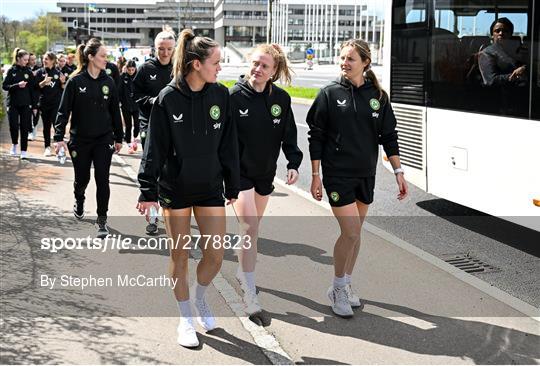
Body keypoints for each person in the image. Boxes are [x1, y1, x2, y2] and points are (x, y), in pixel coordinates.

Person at [137, 29, 239, 348]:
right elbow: (154, 148)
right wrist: (146, 190)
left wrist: (233, 183)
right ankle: (184, 318)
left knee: (216, 254)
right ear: (196, 64)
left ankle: (200, 298)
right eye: (216, 62)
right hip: (175, 189)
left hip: (209, 187)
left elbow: (229, 144)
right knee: (179, 254)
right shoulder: (168, 97)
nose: (220, 67)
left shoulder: (221, 95)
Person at [307, 39, 408, 318]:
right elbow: (315, 136)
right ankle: (337, 287)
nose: (344, 62)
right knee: (350, 232)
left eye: (351, 58)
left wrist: (399, 172)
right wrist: (316, 175)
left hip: (366, 173)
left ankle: (347, 282)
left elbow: (389, 136)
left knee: (356, 234)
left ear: (365, 62)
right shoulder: (329, 94)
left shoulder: (378, 96)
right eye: (342, 57)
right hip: (337, 174)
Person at [229, 43, 302, 315]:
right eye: (255, 63)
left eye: (264, 66)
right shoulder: (233, 97)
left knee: (252, 229)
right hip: (239, 175)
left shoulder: (281, 99)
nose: (257, 69)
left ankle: (241, 269)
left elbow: (289, 134)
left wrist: (293, 163)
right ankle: (249, 292)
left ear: (273, 71)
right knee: (249, 228)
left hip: (264, 174)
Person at [54, 38, 123, 238]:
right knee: (82, 179)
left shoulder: (109, 81)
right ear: (90, 57)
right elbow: (63, 111)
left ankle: (102, 220)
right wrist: (59, 137)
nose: (106, 59)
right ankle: (80, 198)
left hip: (103, 139)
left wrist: (119, 137)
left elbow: (115, 113)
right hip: (80, 141)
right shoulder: (75, 81)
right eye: (102, 56)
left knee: (103, 179)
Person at [133, 26, 175, 151]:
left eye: (169, 49)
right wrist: (152, 100)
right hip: (149, 122)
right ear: (155, 48)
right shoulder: (145, 69)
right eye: (161, 49)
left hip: (172, 123)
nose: (165, 53)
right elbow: (135, 95)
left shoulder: (178, 69)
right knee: (150, 162)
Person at [2, 48, 37, 159]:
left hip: (26, 104)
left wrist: (35, 105)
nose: (27, 61)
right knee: (13, 126)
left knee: (25, 127)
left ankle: (23, 151)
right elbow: (5, 86)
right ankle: (14, 145)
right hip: (13, 103)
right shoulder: (11, 71)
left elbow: (33, 90)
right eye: (25, 59)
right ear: (18, 59)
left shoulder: (28, 72)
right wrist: (17, 85)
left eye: (28, 59)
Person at [35, 52, 65, 156]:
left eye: (46, 59)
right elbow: (35, 88)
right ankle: (47, 147)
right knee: (46, 126)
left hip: (56, 104)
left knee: (56, 125)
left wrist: (62, 82)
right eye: (44, 59)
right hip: (44, 104)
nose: (44, 61)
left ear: (52, 60)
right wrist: (43, 82)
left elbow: (63, 89)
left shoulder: (58, 72)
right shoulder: (40, 72)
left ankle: (58, 147)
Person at [119, 60, 139, 153]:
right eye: (129, 69)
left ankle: (135, 139)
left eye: (133, 69)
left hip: (136, 105)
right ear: (126, 69)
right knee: (128, 126)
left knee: (137, 124)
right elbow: (119, 91)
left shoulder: (138, 76)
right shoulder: (122, 77)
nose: (131, 71)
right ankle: (129, 144)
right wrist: (119, 102)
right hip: (126, 106)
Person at [28, 52, 40, 141]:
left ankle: (34, 128)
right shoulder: (25, 69)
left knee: (36, 114)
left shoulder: (39, 70)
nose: (34, 61)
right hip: (27, 95)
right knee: (28, 114)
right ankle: (30, 131)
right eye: (32, 60)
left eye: (35, 59)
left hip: (37, 95)